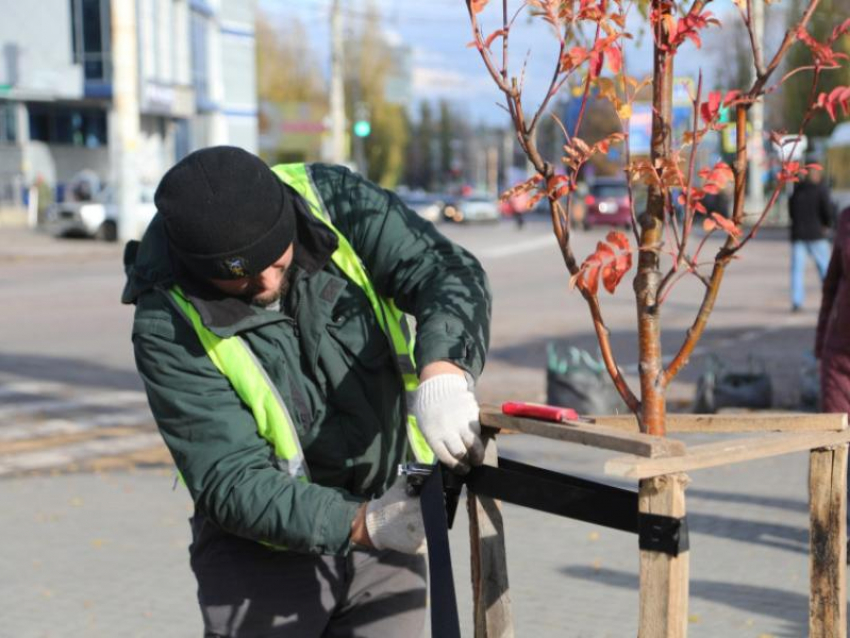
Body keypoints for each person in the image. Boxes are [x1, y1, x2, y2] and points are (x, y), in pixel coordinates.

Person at [121, 146, 492, 637]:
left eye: (276, 261)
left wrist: (444, 371)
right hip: (260, 560)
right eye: (243, 279)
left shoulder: (333, 200)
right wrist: (364, 523)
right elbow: (229, 477)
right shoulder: (165, 321)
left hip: (387, 528)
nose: (268, 281)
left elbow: (444, 271)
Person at [817, 206, 850, 418]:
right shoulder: (846, 219)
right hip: (840, 354)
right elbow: (831, 283)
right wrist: (821, 341)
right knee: (833, 440)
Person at [788, 162, 835, 312]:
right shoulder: (821, 190)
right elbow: (827, 211)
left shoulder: (797, 190)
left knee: (797, 270)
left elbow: (791, 211)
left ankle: (797, 301)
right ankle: (832, 299)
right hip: (817, 235)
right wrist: (827, 225)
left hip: (799, 235)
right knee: (825, 270)